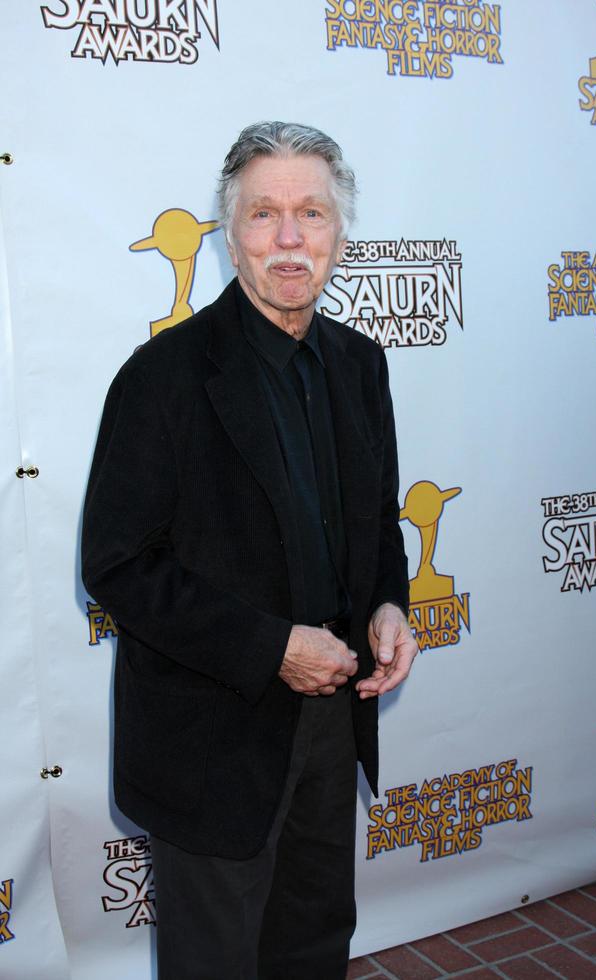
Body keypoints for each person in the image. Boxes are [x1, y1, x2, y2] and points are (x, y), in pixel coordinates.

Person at [82, 121, 417, 980]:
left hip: (331, 719)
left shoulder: (361, 364)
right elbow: (117, 565)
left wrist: (388, 605)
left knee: (312, 943)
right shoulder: (162, 377)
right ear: (231, 236)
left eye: (312, 212)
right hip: (211, 738)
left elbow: (379, 519)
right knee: (217, 962)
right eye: (266, 214)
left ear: (342, 234)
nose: (291, 238)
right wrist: (274, 649)